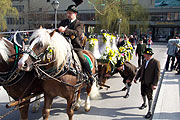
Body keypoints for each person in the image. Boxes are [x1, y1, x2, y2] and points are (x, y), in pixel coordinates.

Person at [57, 5, 94, 84]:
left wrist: (65, 30)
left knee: (81, 57)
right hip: (62, 46)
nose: (68, 15)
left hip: (75, 46)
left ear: (75, 14)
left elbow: (77, 33)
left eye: (70, 13)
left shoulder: (79, 24)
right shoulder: (63, 22)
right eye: (67, 13)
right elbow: (58, 29)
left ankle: (90, 75)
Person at [134, 48, 160, 119]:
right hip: (143, 81)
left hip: (150, 83)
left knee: (149, 96)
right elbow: (140, 70)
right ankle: (144, 103)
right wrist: (136, 77)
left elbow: (157, 74)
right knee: (142, 93)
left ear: (149, 55)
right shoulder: (144, 61)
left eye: (145, 54)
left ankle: (150, 111)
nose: (144, 55)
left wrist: (155, 84)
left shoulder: (156, 62)